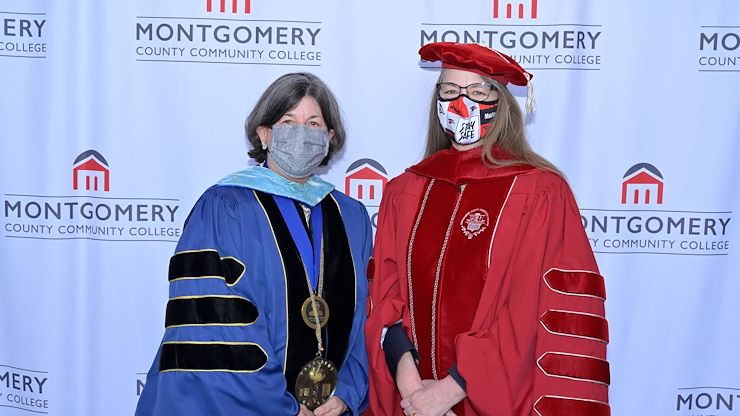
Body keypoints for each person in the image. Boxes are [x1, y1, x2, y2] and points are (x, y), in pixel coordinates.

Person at [365, 43, 610, 416]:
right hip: (411, 399)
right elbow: (385, 295)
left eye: (477, 92)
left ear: (502, 105)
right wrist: (413, 389)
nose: (461, 103)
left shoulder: (538, 190)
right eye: (449, 91)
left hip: (497, 399)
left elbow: (532, 308)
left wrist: (450, 390)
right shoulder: (407, 189)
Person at [136, 72, 371, 416]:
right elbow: (215, 323)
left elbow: (368, 314)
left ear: (329, 138)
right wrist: (282, 406)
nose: (302, 132)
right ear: (264, 134)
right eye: (288, 121)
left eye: (314, 123)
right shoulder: (225, 207)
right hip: (249, 406)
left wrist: (347, 391)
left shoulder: (351, 216)